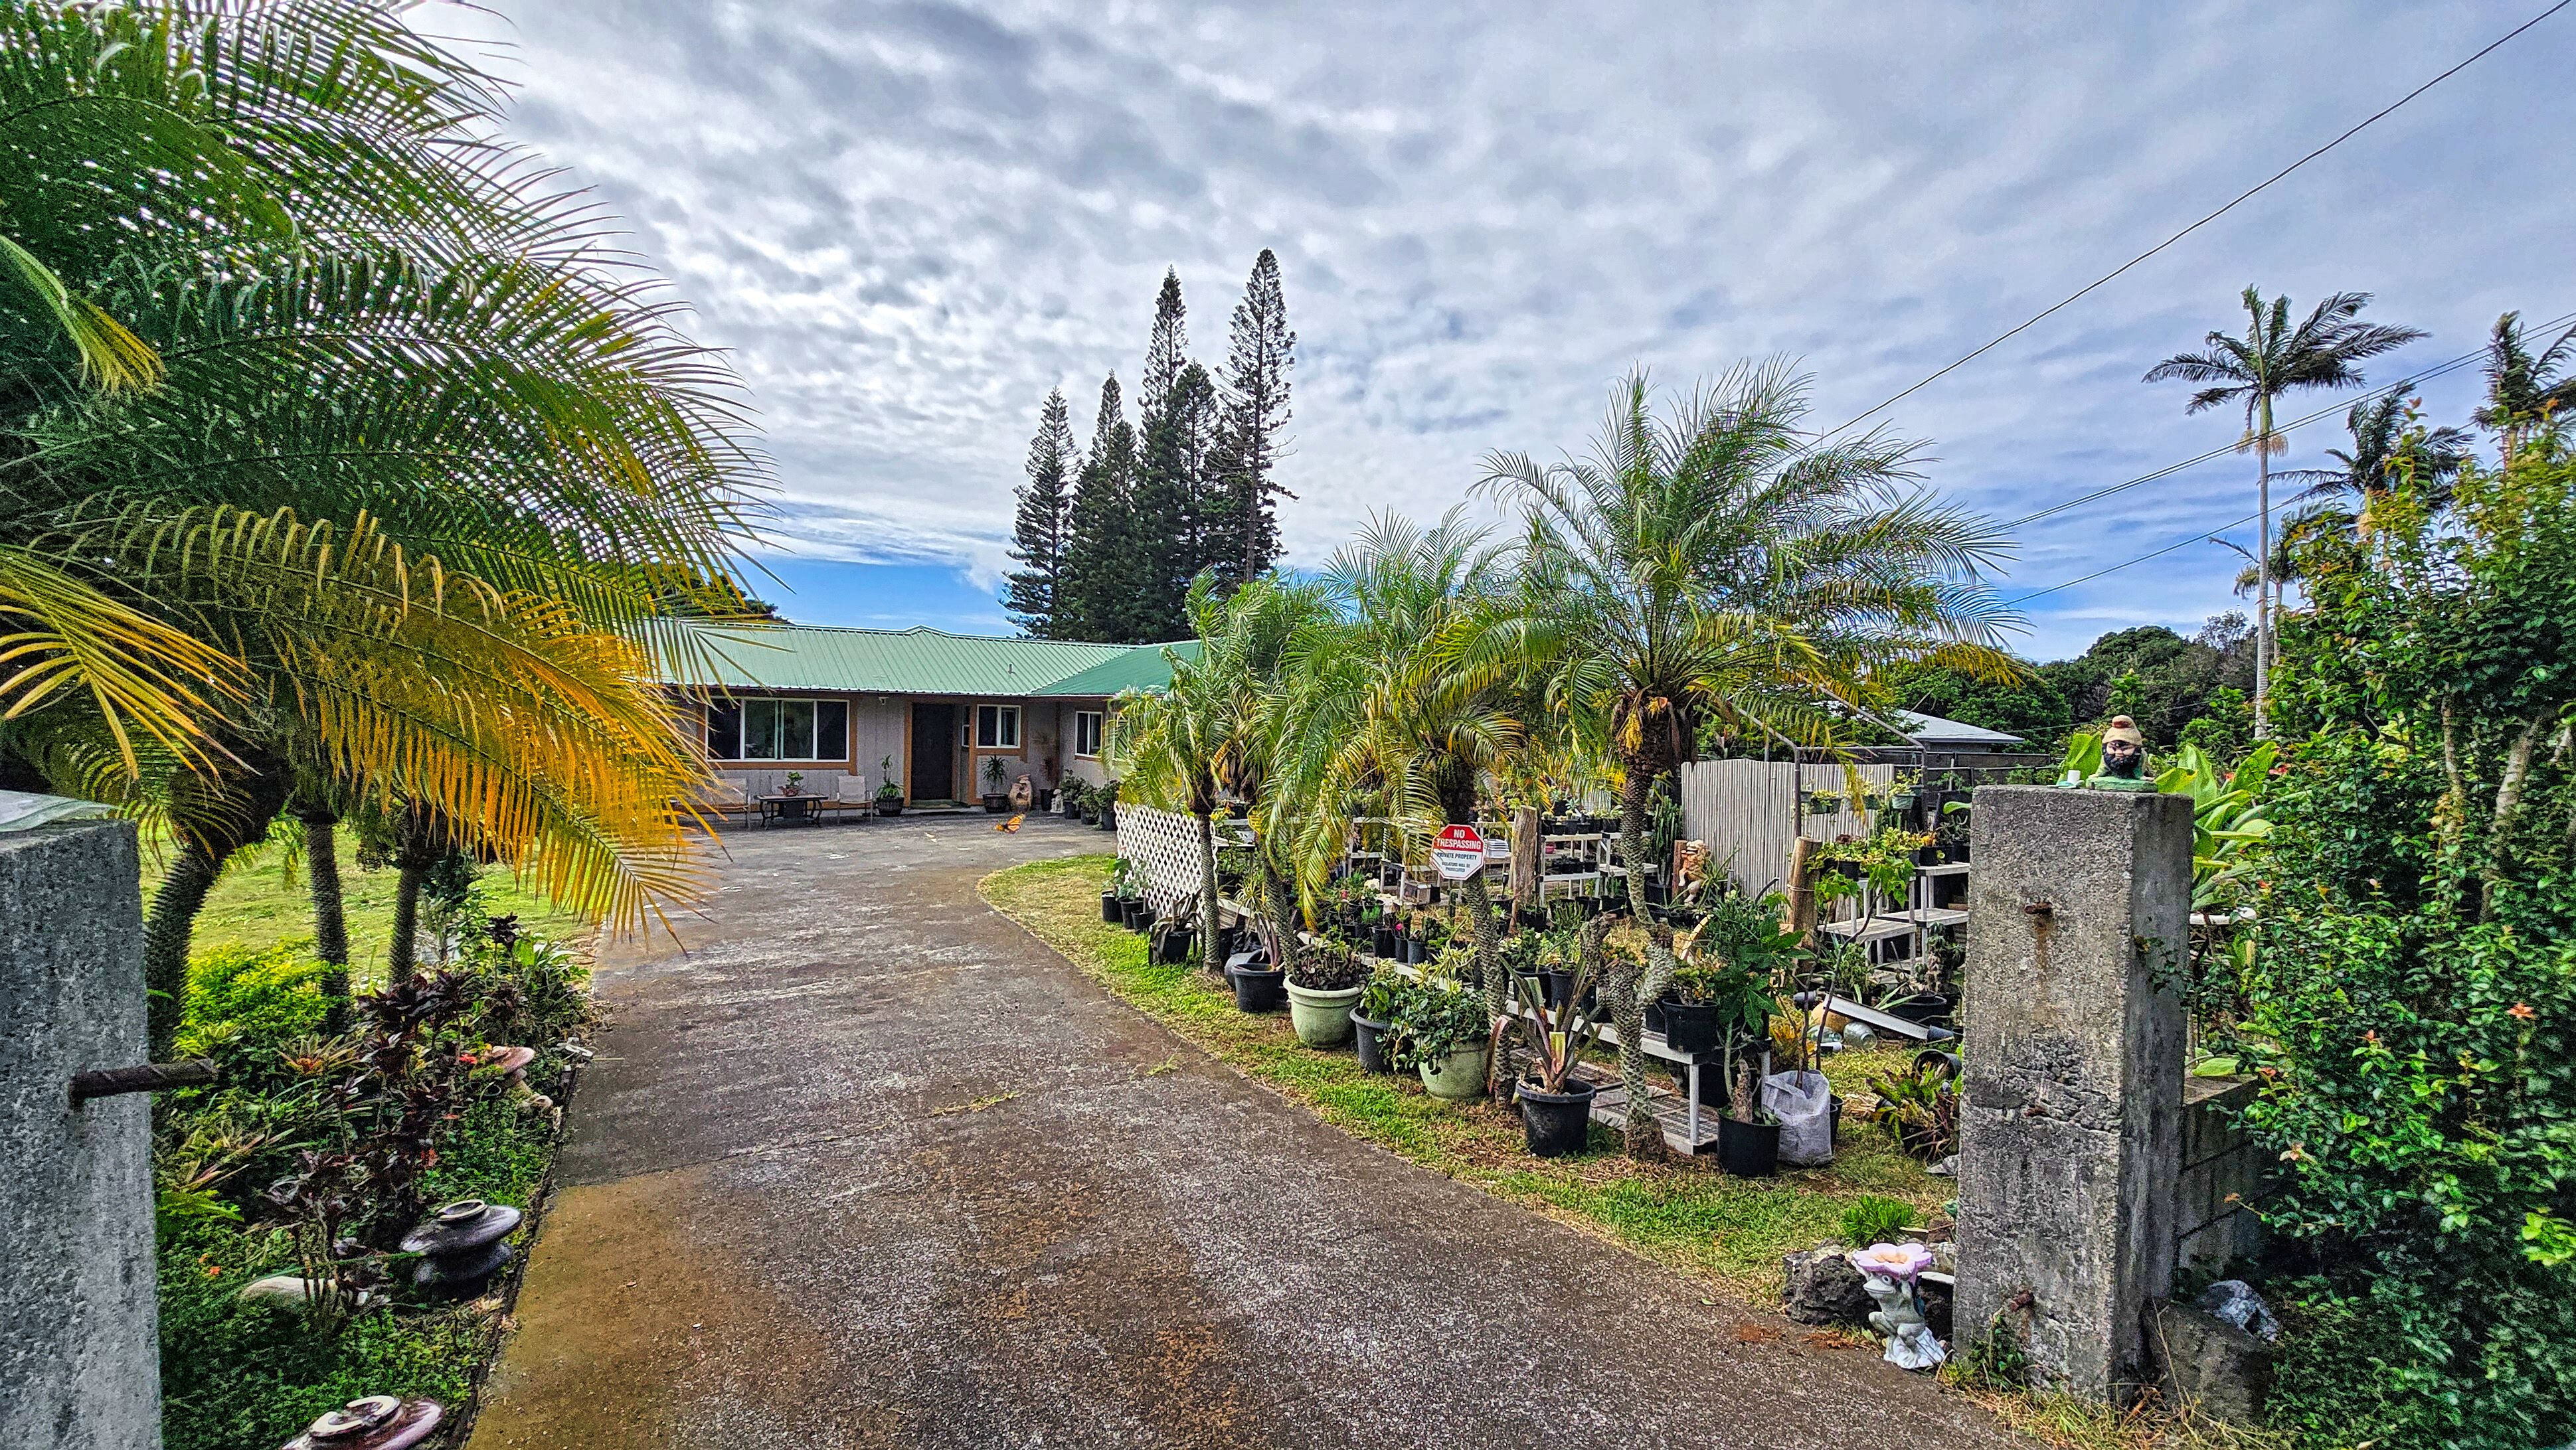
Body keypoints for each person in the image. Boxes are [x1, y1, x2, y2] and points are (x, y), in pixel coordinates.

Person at [2081, 715, 2157, 793]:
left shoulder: (2139, 755)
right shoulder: (2108, 756)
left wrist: (2140, 776)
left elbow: (2138, 766)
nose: (2118, 752)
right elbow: (2104, 766)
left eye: (2125, 749)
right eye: (2113, 748)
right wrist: (2098, 774)